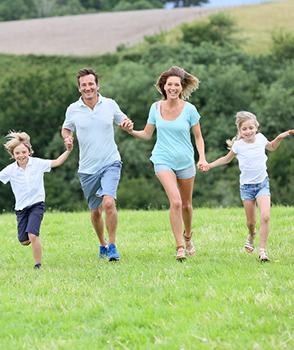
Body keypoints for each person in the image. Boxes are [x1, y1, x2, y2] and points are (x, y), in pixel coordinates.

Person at [121, 66, 207, 261]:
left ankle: (188, 237)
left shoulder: (190, 110)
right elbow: (146, 134)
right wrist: (131, 131)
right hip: (162, 159)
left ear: (181, 86)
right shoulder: (156, 108)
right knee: (175, 201)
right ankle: (179, 247)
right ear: (163, 87)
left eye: (177, 84)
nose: (173, 88)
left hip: (185, 160)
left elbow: (199, 137)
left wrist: (201, 157)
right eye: (170, 84)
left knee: (186, 205)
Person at [0, 131, 73, 269]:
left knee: (33, 235)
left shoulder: (38, 163)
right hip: (21, 208)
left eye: (23, 152)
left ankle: (38, 265)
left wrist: (68, 150)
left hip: (37, 204)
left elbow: (57, 162)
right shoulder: (10, 170)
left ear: (29, 152)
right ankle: (28, 241)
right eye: (17, 153)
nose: (21, 155)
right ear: (13, 155)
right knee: (24, 241)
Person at [199, 111, 294, 262]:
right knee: (251, 222)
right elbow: (226, 159)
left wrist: (279, 138)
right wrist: (209, 165)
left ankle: (262, 251)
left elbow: (272, 147)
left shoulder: (262, 139)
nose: (248, 131)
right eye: (244, 129)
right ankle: (252, 234)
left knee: (265, 216)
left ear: (256, 127)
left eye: (251, 128)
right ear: (240, 131)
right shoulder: (238, 145)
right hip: (247, 188)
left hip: (262, 183)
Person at [62, 68, 133, 262]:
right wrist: (68, 139)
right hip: (87, 168)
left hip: (110, 161)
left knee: (109, 202)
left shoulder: (109, 105)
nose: (88, 88)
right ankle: (102, 243)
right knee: (95, 211)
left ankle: (112, 246)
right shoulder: (73, 109)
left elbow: (124, 120)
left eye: (90, 84)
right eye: (83, 85)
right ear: (79, 89)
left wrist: (127, 124)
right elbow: (66, 129)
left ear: (97, 85)